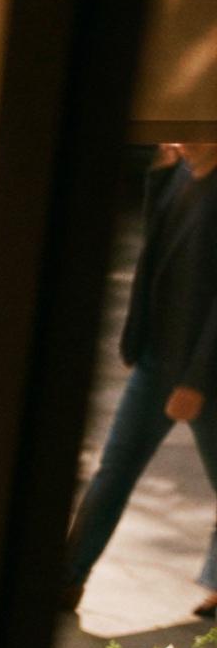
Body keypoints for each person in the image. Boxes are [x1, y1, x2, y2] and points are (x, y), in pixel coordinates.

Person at [63, 143, 217, 616]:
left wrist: (196, 381)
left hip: (204, 370)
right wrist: (157, 179)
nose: (175, 137)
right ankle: (67, 582)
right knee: (115, 470)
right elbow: (157, 249)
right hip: (156, 360)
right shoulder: (179, 173)